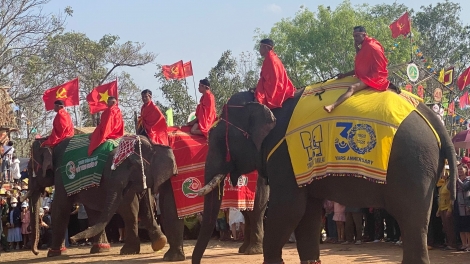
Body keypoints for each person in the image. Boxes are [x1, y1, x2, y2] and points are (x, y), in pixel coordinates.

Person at [324, 26, 391, 113]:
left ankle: (332, 106)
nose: (355, 39)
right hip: (367, 74)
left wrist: (371, 76)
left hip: (374, 76)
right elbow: (361, 65)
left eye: (357, 36)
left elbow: (380, 65)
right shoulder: (364, 46)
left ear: (364, 35)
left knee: (352, 87)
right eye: (354, 36)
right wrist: (344, 75)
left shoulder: (372, 46)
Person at [254, 38, 296, 109]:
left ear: (266, 47)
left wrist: (260, 90)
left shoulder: (270, 59)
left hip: (277, 87)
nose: (259, 50)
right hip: (278, 84)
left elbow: (273, 80)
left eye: (260, 47)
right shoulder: (272, 57)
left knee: (257, 101)